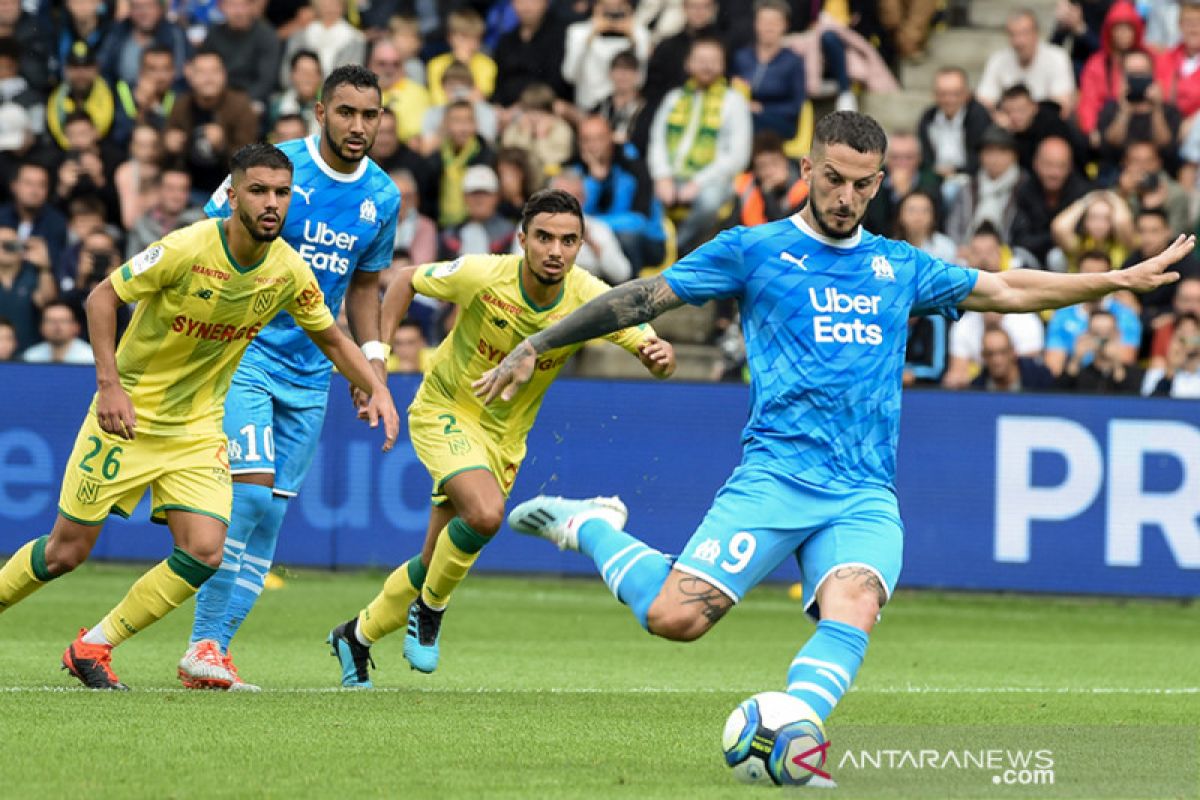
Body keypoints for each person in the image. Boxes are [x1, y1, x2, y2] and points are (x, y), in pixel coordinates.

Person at [474, 111, 1194, 746]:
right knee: (675, 620)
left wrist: (1116, 280)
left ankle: (793, 735)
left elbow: (1005, 287)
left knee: (856, 605)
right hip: (775, 477)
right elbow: (642, 296)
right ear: (807, 169)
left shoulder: (897, 265)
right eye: (835, 179)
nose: (847, 197)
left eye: (863, 184)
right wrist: (539, 343)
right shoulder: (751, 250)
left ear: (878, 183)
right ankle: (593, 523)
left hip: (861, 490)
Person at [0, 142, 399, 690]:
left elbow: (331, 335)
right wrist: (109, 385)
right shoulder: (186, 247)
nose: (271, 204)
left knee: (205, 550)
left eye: (282, 193)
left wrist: (373, 385)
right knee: (65, 552)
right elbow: (100, 298)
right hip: (129, 417)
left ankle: (93, 645)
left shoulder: (287, 269)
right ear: (232, 196)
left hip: (196, 429)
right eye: (258, 191)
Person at [325, 188, 676, 687]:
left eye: (569, 241)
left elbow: (655, 350)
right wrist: (375, 370)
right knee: (486, 515)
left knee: (433, 561)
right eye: (545, 238)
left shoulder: (589, 297)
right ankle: (430, 613)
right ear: (522, 239)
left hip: (505, 441)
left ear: (581, 246)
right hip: (446, 408)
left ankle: (354, 637)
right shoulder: (484, 275)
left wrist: (659, 357)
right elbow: (403, 280)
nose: (556, 251)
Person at [179, 66, 401, 691]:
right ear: (319, 111)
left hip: (313, 374)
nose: (358, 126)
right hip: (243, 353)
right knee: (246, 498)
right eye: (347, 112)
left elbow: (363, 288)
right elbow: (207, 240)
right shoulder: (274, 171)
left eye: (370, 115)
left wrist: (370, 370)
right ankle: (202, 642)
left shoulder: (383, 197)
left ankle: (214, 653)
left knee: (270, 519)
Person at [648, 36, 752, 254]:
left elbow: (737, 156)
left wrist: (698, 181)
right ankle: (655, 248)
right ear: (689, 64)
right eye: (700, 59)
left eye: (713, 60)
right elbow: (657, 140)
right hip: (672, 176)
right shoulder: (674, 98)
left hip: (714, 180)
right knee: (644, 192)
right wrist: (662, 176)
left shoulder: (734, 101)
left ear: (723, 65)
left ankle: (677, 250)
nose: (706, 65)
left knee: (709, 202)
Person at [1044, 250, 1143, 375]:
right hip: (1075, 386)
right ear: (1077, 275)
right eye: (1088, 273)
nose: (1094, 281)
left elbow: (1126, 366)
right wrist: (1076, 358)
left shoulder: (1126, 316)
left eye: (1100, 275)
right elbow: (1053, 369)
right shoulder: (1062, 316)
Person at [976, 8, 1076, 117]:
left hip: (1046, 125)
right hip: (1007, 125)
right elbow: (983, 103)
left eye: (1024, 33)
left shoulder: (1057, 57)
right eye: (1013, 34)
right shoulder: (997, 60)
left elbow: (1062, 106)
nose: (1019, 41)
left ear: (1036, 33)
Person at [1056, 308, 1145, 393]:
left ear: (1117, 335)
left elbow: (1132, 398)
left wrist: (1116, 364)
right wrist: (1076, 359)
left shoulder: (1133, 373)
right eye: (1096, 333)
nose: (1102, 339)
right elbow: (1058, 394)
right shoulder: (1080, 374)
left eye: (1107, 333)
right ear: (1088, 335)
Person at [970, 327, 1054, 392]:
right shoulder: (975, 388)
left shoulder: (1040, 378)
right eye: (990, 354)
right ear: (983, 356)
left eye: (1003, 352)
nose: (997, 360)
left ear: (1013, 352)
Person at [1142, 312, 1200, 396]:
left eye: (1193, 333)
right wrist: (1171, 370)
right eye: (1182, 337)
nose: (1188, 339)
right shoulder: (1157, 371)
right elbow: (1150, 404)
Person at [21, 299, 94, 364]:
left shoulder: (90, 358)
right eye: (50, 321)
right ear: (41, 327)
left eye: (63, 321)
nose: (57, 326)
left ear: (76, 326)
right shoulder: (30, 358)